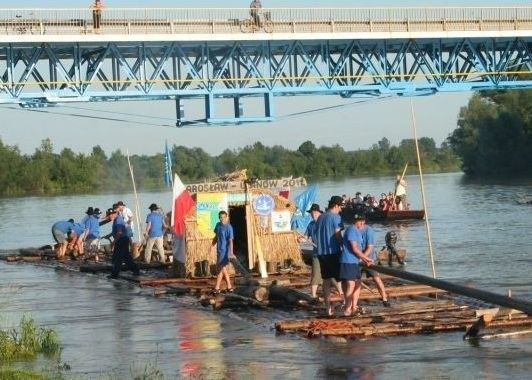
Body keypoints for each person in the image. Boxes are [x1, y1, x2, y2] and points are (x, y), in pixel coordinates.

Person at [314, 195, 345, 316]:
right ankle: (346, 304)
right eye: (341, 207)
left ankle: (328, 309)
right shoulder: (336, 217)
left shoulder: (321, 217)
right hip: (333, 252)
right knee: (341, 279)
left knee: (326, 281)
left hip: (321, 252)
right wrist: (345, 246)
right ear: (336, 205)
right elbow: (337, 235)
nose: (341, 209)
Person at [340, 214, 372, 316]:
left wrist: (363, 258)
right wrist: (366, 258)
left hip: (354, 261)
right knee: (351, 284)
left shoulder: (358, 231)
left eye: (363, 221)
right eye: (359, 221)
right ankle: (347, 309)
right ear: (355, 221)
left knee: (357, 283)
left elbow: (359, 249)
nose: (362, 223)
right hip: (348, 260)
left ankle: (354, 306)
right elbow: (354, 248)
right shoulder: (351, 230)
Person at [358, 217, 391, 307]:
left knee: (376, 279)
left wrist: (362, 258)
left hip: (369, 258)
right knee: (355, 280)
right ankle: (353, 300)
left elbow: (370, 247)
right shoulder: (354, 229)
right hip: (358, 259)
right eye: (357, 221)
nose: (359, 224)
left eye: (361, 221)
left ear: (363, 222)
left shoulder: (369, 231)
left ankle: (384, 298)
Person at [298, 203, 323, 299]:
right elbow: (306, 237)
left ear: (318, 212)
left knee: (332, 275)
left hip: (327, 253)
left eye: (314, 212)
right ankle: (313, 296)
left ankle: (341, 293)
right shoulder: (311, 225)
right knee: (315, 274)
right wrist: (301, 239)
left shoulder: (324, 222)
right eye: (312, 213)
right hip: (316, 253)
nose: (313, 214)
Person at [212, 210, 234, 294]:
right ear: (219, 218)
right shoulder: (218, 225)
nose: (222, 219)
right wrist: (212, 245)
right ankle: (229, 286)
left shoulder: (229, 227)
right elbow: (216, 236)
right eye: (221, 217)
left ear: (227, 217)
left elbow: (231, 240)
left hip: (225, 250)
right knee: (222, 268)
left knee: (221, 268)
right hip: (219, 250)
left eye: (224, 217)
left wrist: (231, 252)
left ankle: (217, 287)